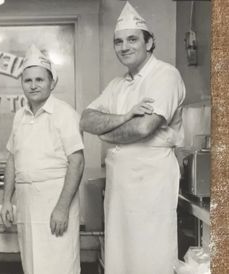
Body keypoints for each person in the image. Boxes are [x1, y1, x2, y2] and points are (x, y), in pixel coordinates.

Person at [80, 2, 186, 274]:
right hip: (120, 188)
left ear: (149, 43)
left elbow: (144, 129)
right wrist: (127, 116)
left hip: (150, 184)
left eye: (132, 39)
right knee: (120, 258)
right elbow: (86, 119)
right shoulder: (117, 84)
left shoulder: (165, 75)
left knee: (150, 257)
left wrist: (107, 133)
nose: (124, 47)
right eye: (118, 41)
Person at [0, 45, 85, 274]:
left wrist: (62, 207)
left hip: (55, 204)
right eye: (28, 80)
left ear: (52, 82)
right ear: (22, 83)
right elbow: (12, 159)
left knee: (59, 265)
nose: (34, 85)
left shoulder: (65, 114)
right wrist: (7, 199)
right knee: (33, 266)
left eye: (40, 79)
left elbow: (77, 162)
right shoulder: (19, 116)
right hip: (27, 206)